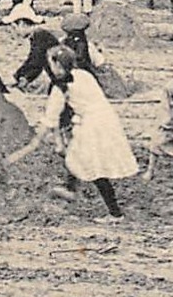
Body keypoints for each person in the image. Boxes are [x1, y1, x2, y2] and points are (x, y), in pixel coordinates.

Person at [23, 46, 138, 222]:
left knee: (95, 167)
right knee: (77, 155)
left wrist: (38, 139)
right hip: (107, 119)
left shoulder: (61, 87)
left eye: (51, 64)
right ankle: (71, 188)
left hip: (93, 125)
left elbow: (51, 118)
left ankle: (115, 213)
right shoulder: (84, 75)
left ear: (58, 66)